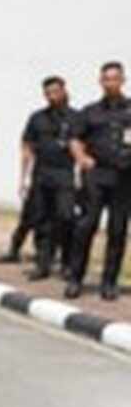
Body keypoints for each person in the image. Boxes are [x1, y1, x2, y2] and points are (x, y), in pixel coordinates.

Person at [65, 61, 131, 301]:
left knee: (117, 230)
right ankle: (75, 278)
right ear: (101, 81)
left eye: (115, 78)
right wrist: (81, 158)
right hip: (96, 176)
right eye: (106, 79)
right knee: (86, 226)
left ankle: (109, 282)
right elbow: (74, 138)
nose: (111, 83)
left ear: (122, 80)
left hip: (124, 179)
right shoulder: (90, 112)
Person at [0, 77, 77, 280]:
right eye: (48, 93)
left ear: (64, 91)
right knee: (41, 221)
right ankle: (43, 264)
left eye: (56, 91)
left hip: (65, 175)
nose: (52, 96)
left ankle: (67, 263)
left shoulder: (76, 117)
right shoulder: (37, 118)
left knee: (66, 217)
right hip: (41, 174)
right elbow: (26, 147)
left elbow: (84, 147)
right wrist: (23, 178)